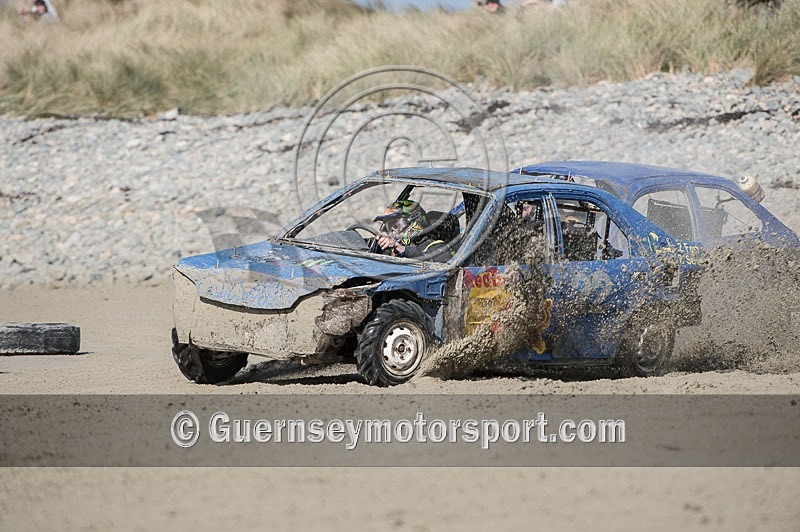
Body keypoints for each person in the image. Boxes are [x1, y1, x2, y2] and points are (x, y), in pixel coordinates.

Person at [374, 200, 446, 260]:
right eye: (387, 223)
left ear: (414, 219)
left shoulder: (436, 246)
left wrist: (403, 249)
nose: (391, 228)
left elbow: (433, 262)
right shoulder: (389, 244)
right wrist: (377, 244)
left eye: (395, 221)